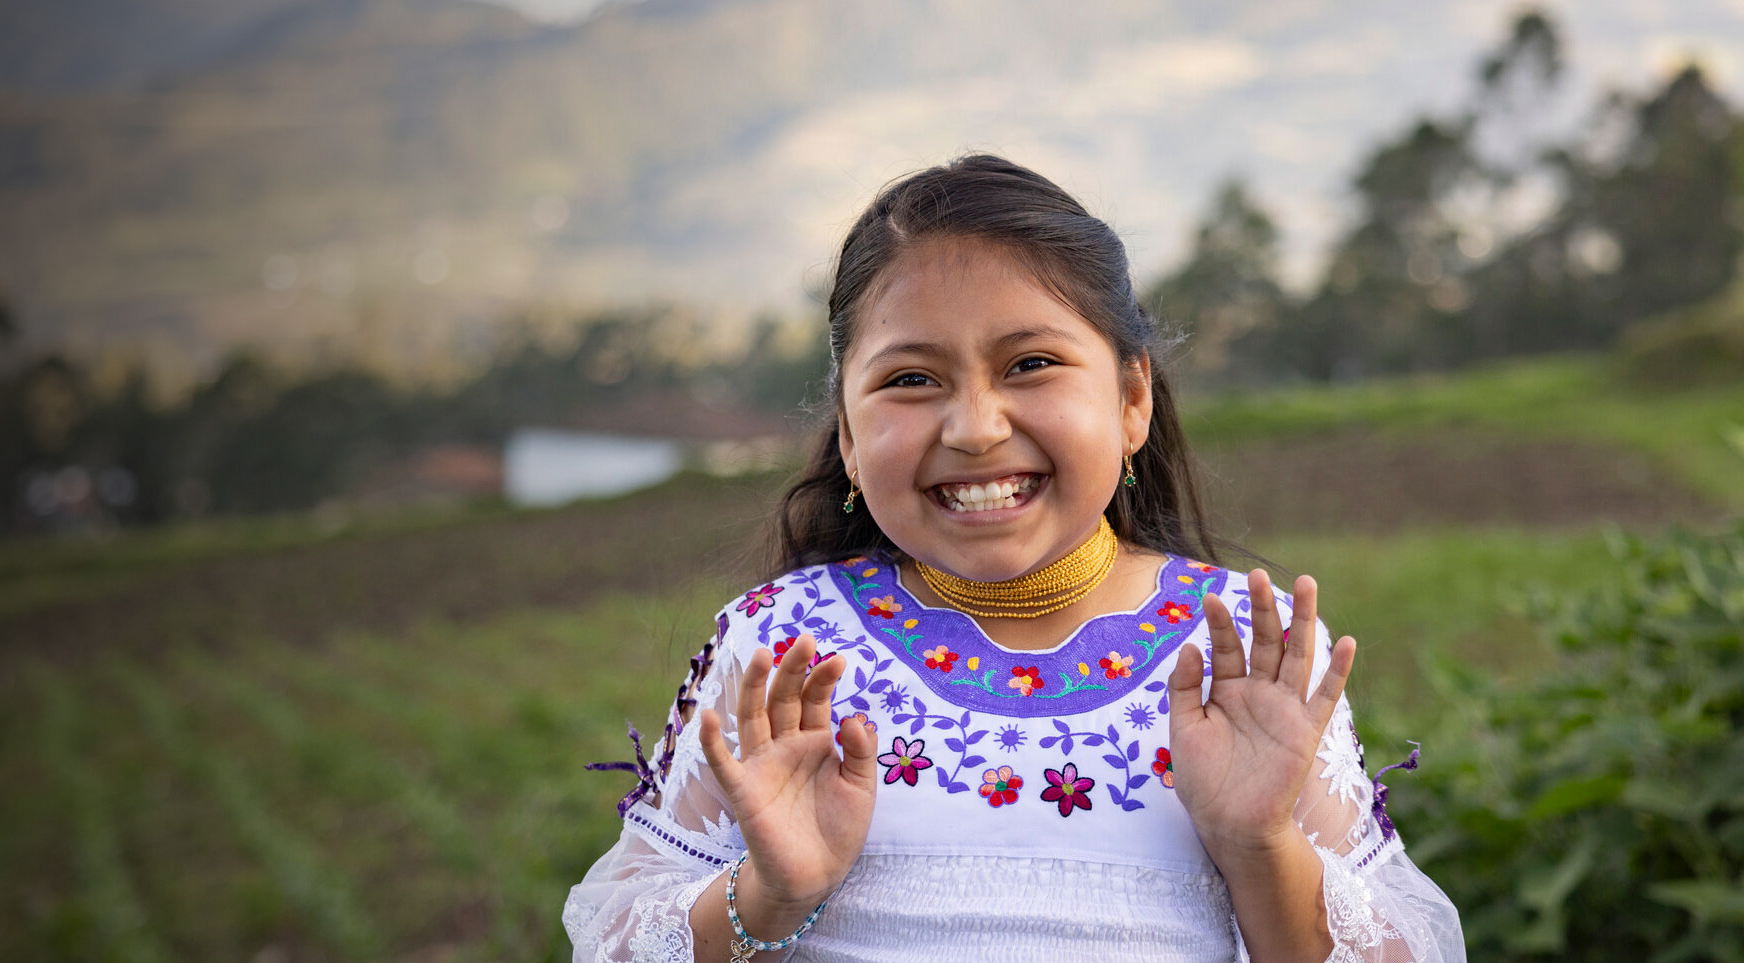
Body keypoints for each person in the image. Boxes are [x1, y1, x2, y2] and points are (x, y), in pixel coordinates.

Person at [564, 154, 1464, 962]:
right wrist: (772, 894)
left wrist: (1258, 845)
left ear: (1131, 399)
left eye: (1029, 363)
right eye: (910, 380)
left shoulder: (1245, 653)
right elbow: (617, 939)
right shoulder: (781, 648)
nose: (975, 427)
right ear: (846, 430)